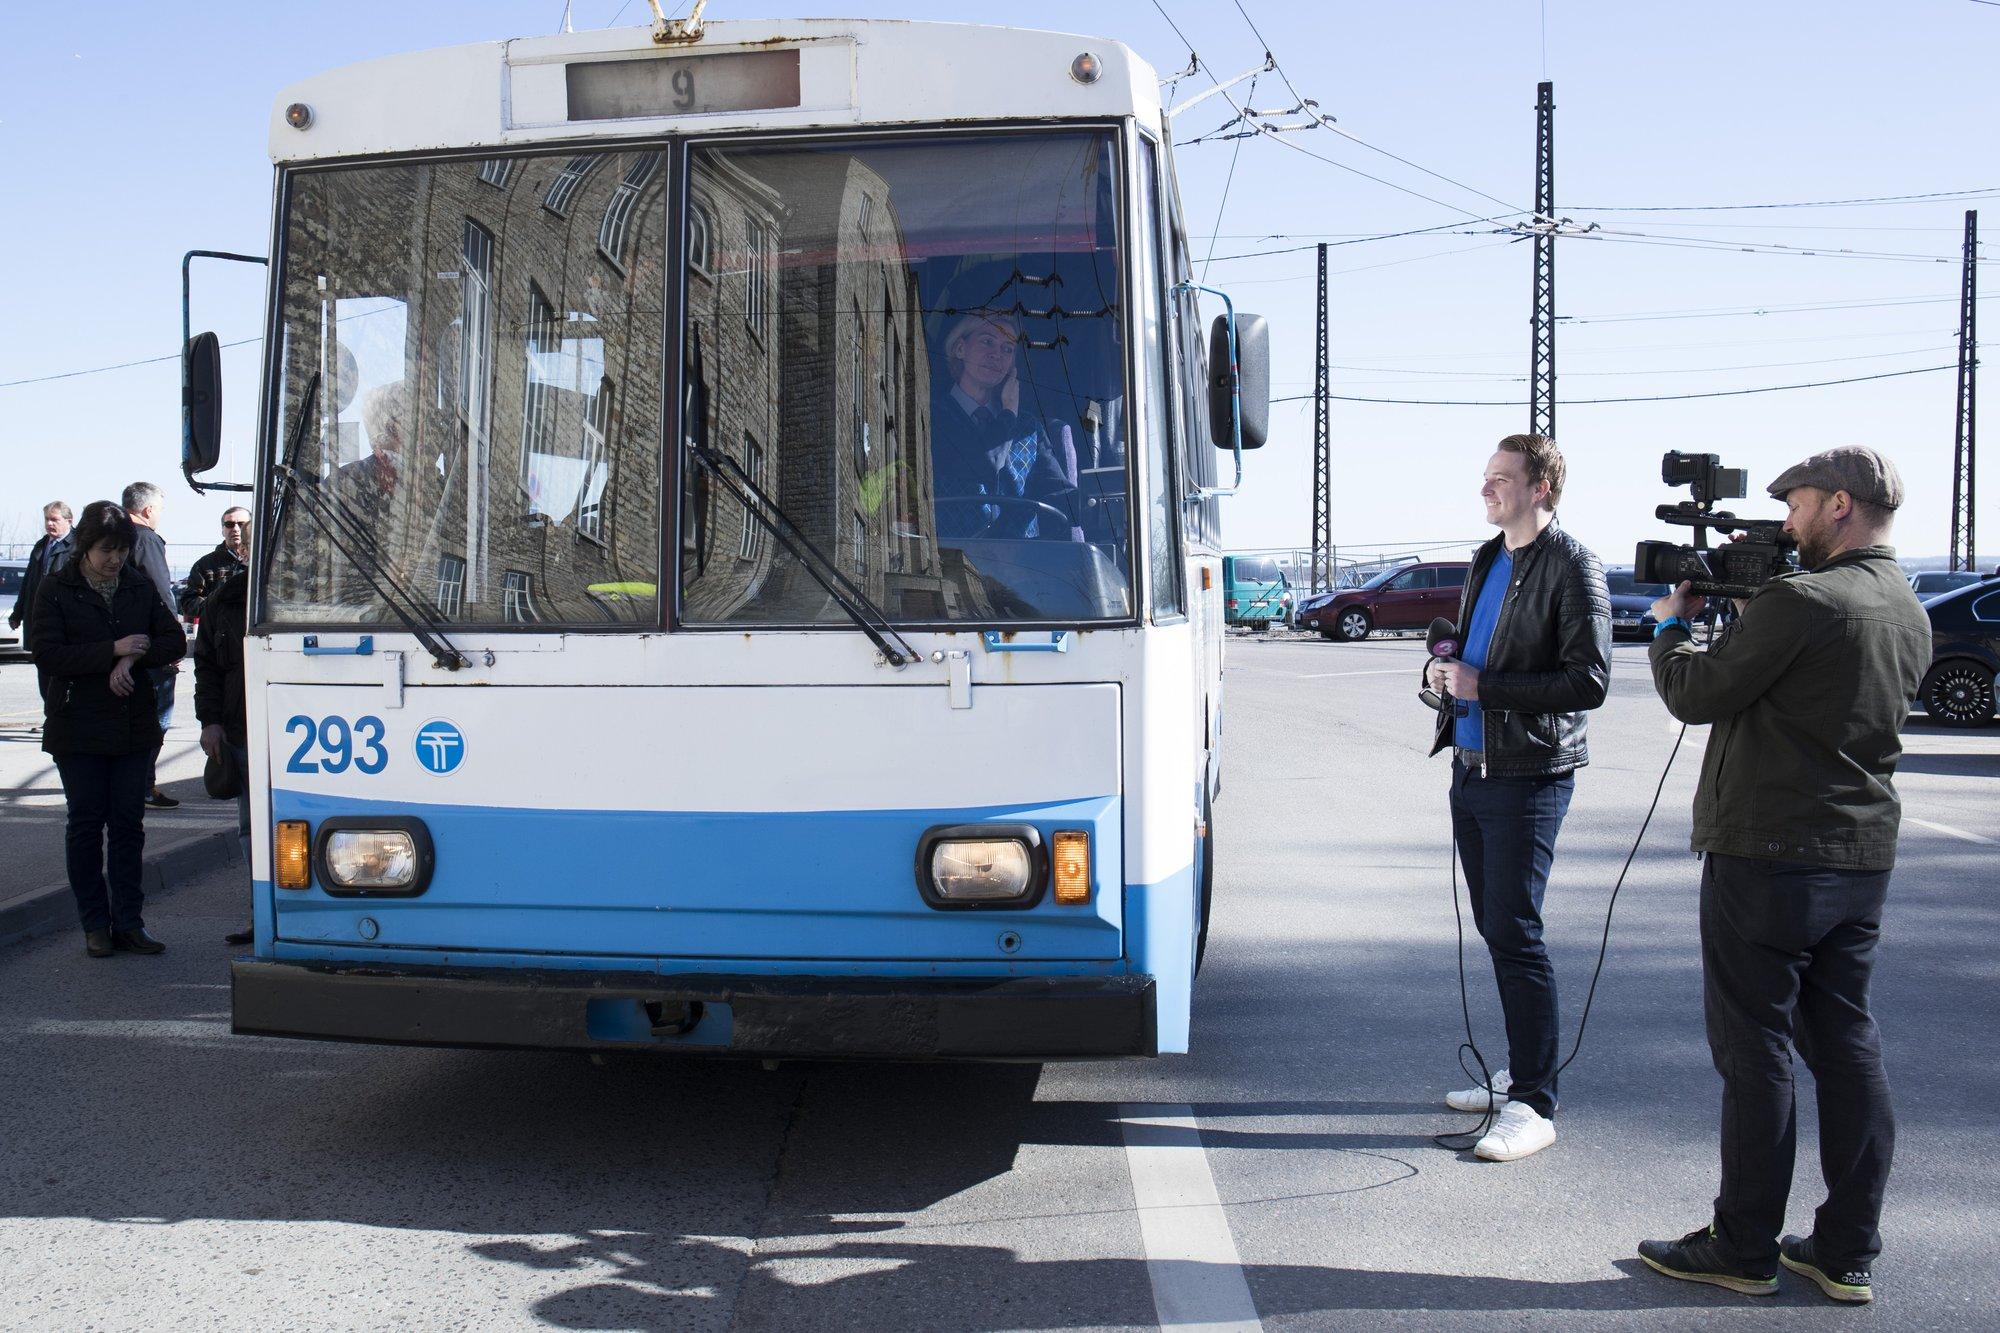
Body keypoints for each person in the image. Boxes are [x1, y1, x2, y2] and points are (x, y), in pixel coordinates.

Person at [1637, 447, 1929, 1305]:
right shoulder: (1905, 603)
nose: (1786, 522)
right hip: (1859, 857)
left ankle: (1744, 1242)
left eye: (1795, 505)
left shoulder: (1801, 600)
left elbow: (1696, 692)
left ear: (1841, 504)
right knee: (1846, 1045)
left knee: (1754, 1046)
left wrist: (1667, 628)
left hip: (1767, 856)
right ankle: (1845, 1249)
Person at [1423, 434, 1610, 1162]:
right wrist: (1445, 675)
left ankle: (1535, 1100)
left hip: (1529, 775)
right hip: (1472, 768)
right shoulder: (1488, 558)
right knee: (1498, 928)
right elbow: (1472, 654)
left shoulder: (1572, 564)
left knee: (1516, 930)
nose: (1486, 489)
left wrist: (1485, 687)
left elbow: (1587, 680)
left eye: (1502, 479)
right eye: (1485, 477)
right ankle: (1519, 1073)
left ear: (1541, 488)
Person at [30, 500, 188, 957]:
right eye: (105, 549)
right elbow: (48, 654)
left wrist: (132, 655)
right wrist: (110, 650)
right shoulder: (57, 588)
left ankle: (130, 922)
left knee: (127, 826)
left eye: (120, 549)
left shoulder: (136, 585)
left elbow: (173, 640)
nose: (114, 559)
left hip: (130, 727)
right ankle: (95, 924)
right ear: (85, 545)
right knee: (85, 825)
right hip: (77, 727)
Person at [928, 310, 1081, 542]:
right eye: (987, 342)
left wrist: (1097, 502)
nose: (996, 355)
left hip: (1020, 568)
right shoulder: (932, 417)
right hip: (951, 562)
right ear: (960, 349)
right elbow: (987, 465)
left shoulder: (1029, 429)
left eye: (1007, 349)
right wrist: (1008, 413)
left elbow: (1057, 495)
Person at [193, 561, 254, 946]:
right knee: (252, 827)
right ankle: (261, 912)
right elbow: (207, 666)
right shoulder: (224, 600)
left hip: (301, 721)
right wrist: (209, 721)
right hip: (241, 726)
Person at [122, 482, 180, 809]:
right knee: (158, 718)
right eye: (159, 509)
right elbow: (161, 594)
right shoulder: (146, 539)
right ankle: (144, 785)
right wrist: (170, 644)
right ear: (148, 510)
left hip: (123, 644)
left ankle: (133, 784)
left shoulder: (113, 539)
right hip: (150, 646)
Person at [10, 500, 73, 655]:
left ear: (69, 521)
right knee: (43, 664)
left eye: (55, 520)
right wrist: (17, 613)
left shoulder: (78, 545)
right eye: (47, 519)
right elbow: (28, 581)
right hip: (38, 615)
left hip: (64, 618)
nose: (49, 523)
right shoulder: (41, 545)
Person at [181, 506, 251, 621]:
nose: (236, 529)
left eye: (242, 524)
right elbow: (188, 603)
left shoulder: (265, 564)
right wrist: (220, 606)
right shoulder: (205, 565)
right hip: (219, 634)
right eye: (229, 524)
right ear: (222, 530)